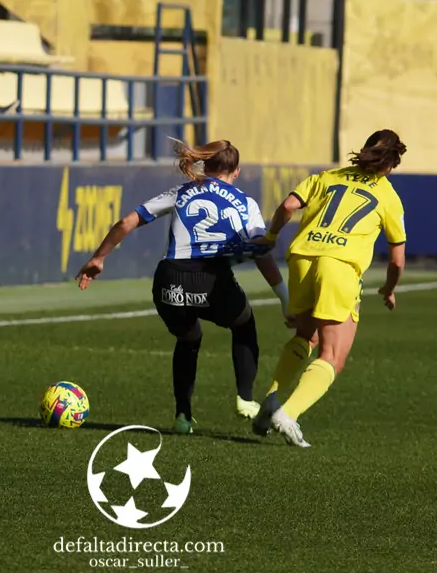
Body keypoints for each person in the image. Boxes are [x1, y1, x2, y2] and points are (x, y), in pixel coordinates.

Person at [75, 139, 290, 434]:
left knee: (189, 340)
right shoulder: (246, 203)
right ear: (236, 171)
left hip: (170, 278)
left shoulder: (181, 191)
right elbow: (261, 251)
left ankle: (182, 416)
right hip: (210, 277)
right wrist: (284, 299)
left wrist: (99, 257)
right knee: (244, 323)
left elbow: (128, 221)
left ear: (205, 165)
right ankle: (245, 398)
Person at [251, 129, 408, 447]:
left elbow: (288, 205)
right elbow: (397, 261)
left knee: (305, 336)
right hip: (338, 266)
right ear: (391, 163)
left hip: (301, 258)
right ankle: (288, 413)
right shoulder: (389, 196)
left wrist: (270, 237)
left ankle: (272, 399)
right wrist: (389, 289)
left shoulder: (328, 176)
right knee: (333, 354)